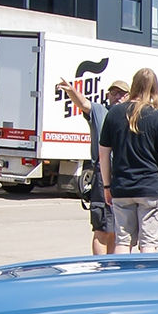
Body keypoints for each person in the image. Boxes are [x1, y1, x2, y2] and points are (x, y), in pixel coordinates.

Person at [98, 68, 158, 253]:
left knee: (122, 241)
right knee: (149, 243)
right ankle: (145, 280)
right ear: (154, 89)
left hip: (122, 187)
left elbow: (103, 154)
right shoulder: (157, 116)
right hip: (151, 188)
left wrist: (107, 186)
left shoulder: (114, 114)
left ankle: (120, 279)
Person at [59, 77, 128, 254]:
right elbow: (83, 103)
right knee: (102, 229)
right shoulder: (100, 111)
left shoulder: (131, 116)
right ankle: (101, 268)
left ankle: (113, 267)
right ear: (108, 96)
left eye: (122, 93)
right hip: (102, 176)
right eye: (114, 93)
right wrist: (71, 90)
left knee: (117, 231)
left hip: (124, 176)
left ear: (129, 96)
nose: (117, 97)